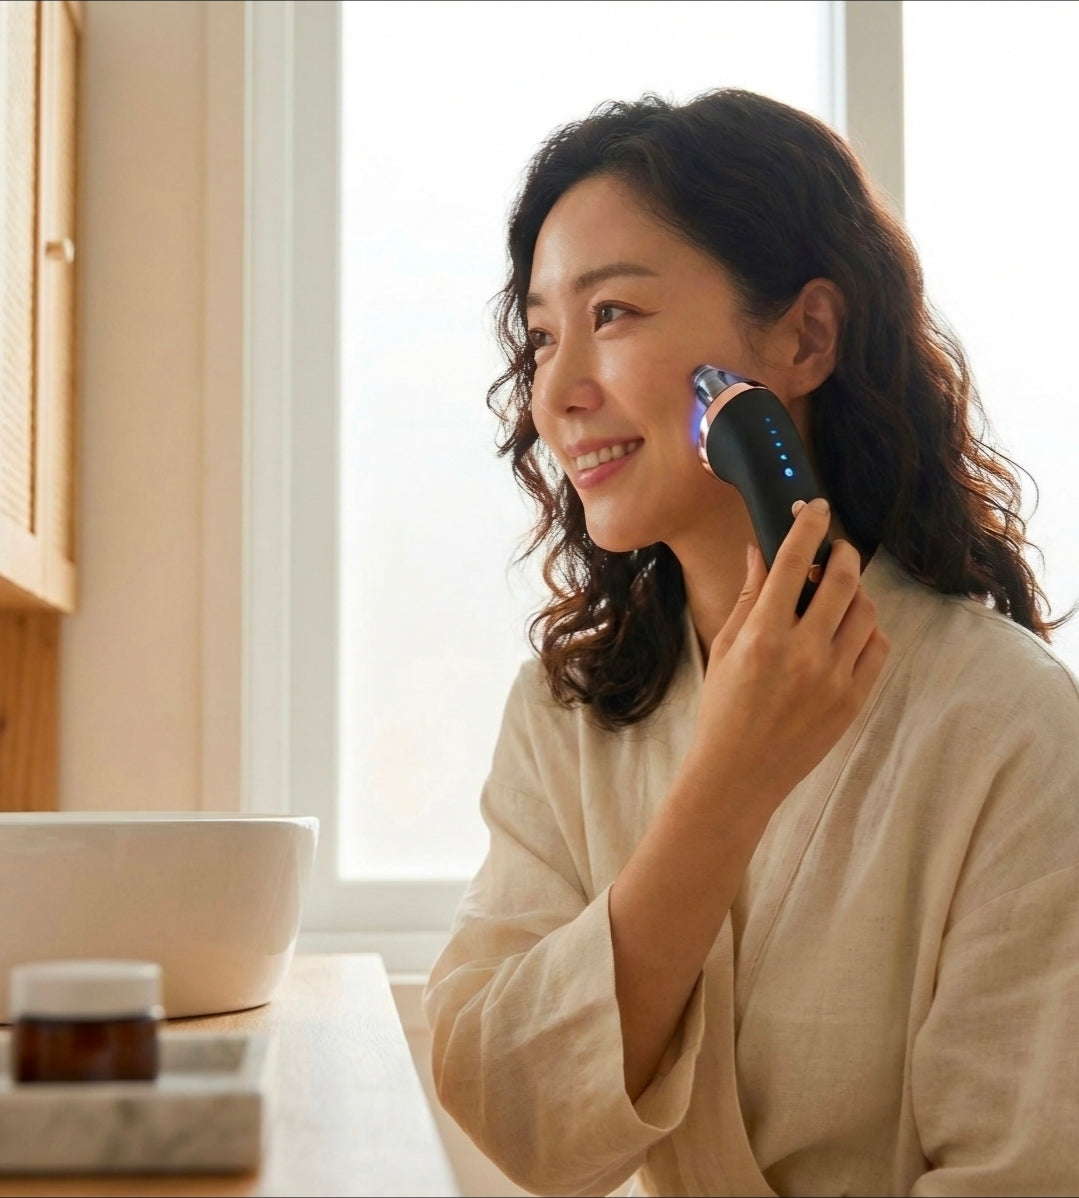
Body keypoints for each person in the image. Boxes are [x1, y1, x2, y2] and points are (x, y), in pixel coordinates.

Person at [422, 89, 1079, 1197]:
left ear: (803, 337)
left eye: (611, 313)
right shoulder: (567, 709)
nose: (558, 392)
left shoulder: (1009, 725)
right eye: (540, 335)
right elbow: (516, 1117)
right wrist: (723, 787)